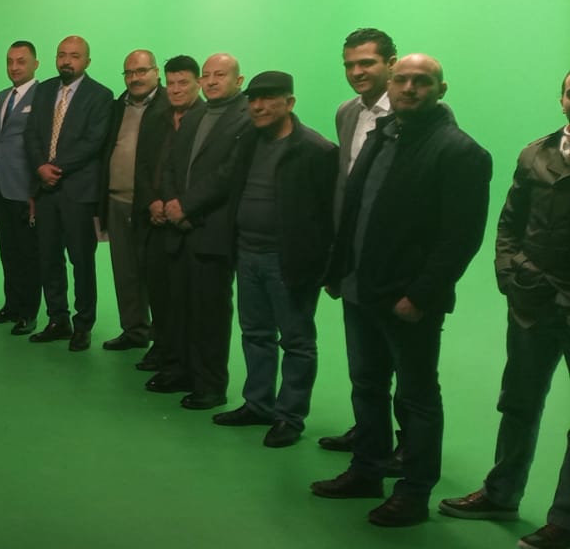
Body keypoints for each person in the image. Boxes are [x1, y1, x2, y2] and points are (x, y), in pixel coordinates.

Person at [310, 54, 492, 527]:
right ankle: (366, 470)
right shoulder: (381, 135)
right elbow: (354, 208)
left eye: (422, 81)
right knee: (367, 386)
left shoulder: (460, 152)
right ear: (390, 85)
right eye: (403, 80)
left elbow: (460, 238)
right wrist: (337, 270)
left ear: (441, 89)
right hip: (360, 287)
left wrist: (422, 296)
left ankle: (413, 493)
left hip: (407, 301)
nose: (410, 88)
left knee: (416, 398)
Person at [438, 71, 570, 549]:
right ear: (562, 99)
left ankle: (565, 521)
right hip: (533, 301)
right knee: (518, 402)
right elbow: (509, 223)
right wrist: (511, 276)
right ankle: (501, 494)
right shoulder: (535, 154)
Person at [211, 71, 336, 448]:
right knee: (255, 334)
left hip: (289, 261)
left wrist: (324, 266)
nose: (258, 106)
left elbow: (329, 215)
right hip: (247, 253)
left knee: (296, 340)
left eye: (268, 98)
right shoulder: (249, 139)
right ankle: (258, 404)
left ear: (290, 103)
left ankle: (290, 416)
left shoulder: (316, 150)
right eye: (253, 99)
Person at [319, 28, 402, 462]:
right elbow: (344, 186)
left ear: (391, 64)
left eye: (366, 62)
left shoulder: (419, 112)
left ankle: (409, 447)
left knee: (406, 365)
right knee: (364, 362)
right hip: (352, 257)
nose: (356, 72)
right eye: (349, 65)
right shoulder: (347, 113)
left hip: (396, 263)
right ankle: (371, 434)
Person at [159, 53, 248, 410]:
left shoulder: (245, 118)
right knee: (179, 307)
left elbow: (228, 174)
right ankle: (181, 372)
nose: (211, 81)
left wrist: (186, 206)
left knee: (209, 313)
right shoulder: (194, 115)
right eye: (207, 75)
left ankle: (210, 385)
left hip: (212, 228)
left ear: (238, 81)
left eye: (220, 75)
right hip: (179, 228)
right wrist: (171, 202)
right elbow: (170, 164)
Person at [24, 35, 112, 351]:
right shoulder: (44, 90)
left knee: (81, 261)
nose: (66, 61)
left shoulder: (100, 95)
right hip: (45, 191)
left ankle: (83, 325)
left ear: (87, 61)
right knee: (49, 258)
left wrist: (55, 167)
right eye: (62, 54)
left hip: (78, 191)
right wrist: (40, 167)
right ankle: (57, 320)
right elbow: (31, 135)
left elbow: (94, 141)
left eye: (74, 56)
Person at [98, 49, 168, 350]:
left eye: (141, 71)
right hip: (116, 200)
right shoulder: (118, 106)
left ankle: (163, 340)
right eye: (129, 73)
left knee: (156, 275)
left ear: (156, 73)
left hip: (151, 205)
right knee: (125, 272)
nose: (134, 78)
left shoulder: (169, 106)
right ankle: (134, 330)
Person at [142, 55, 204, 386]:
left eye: (183, 83)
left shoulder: (207, 119)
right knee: (159, 292)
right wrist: (153, 201)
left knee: (187, 300)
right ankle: (164, 352)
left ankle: (186, 365)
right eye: (171, 83)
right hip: (155, 217)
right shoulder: (157, 118)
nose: (176, 89)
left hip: (190, 221)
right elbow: (144, 165)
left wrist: (179, 206)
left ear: (198, 84)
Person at [0, 41, 42, 335]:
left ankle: (29, 312)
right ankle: (12, 305)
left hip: (24, 188)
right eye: (10, 61)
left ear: (35, 64)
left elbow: (41, 144)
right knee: (8, 250)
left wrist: (36, 190)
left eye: (21, 61)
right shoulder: (2, 96)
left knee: (28, 253)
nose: (14, 67)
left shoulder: (42, 96)